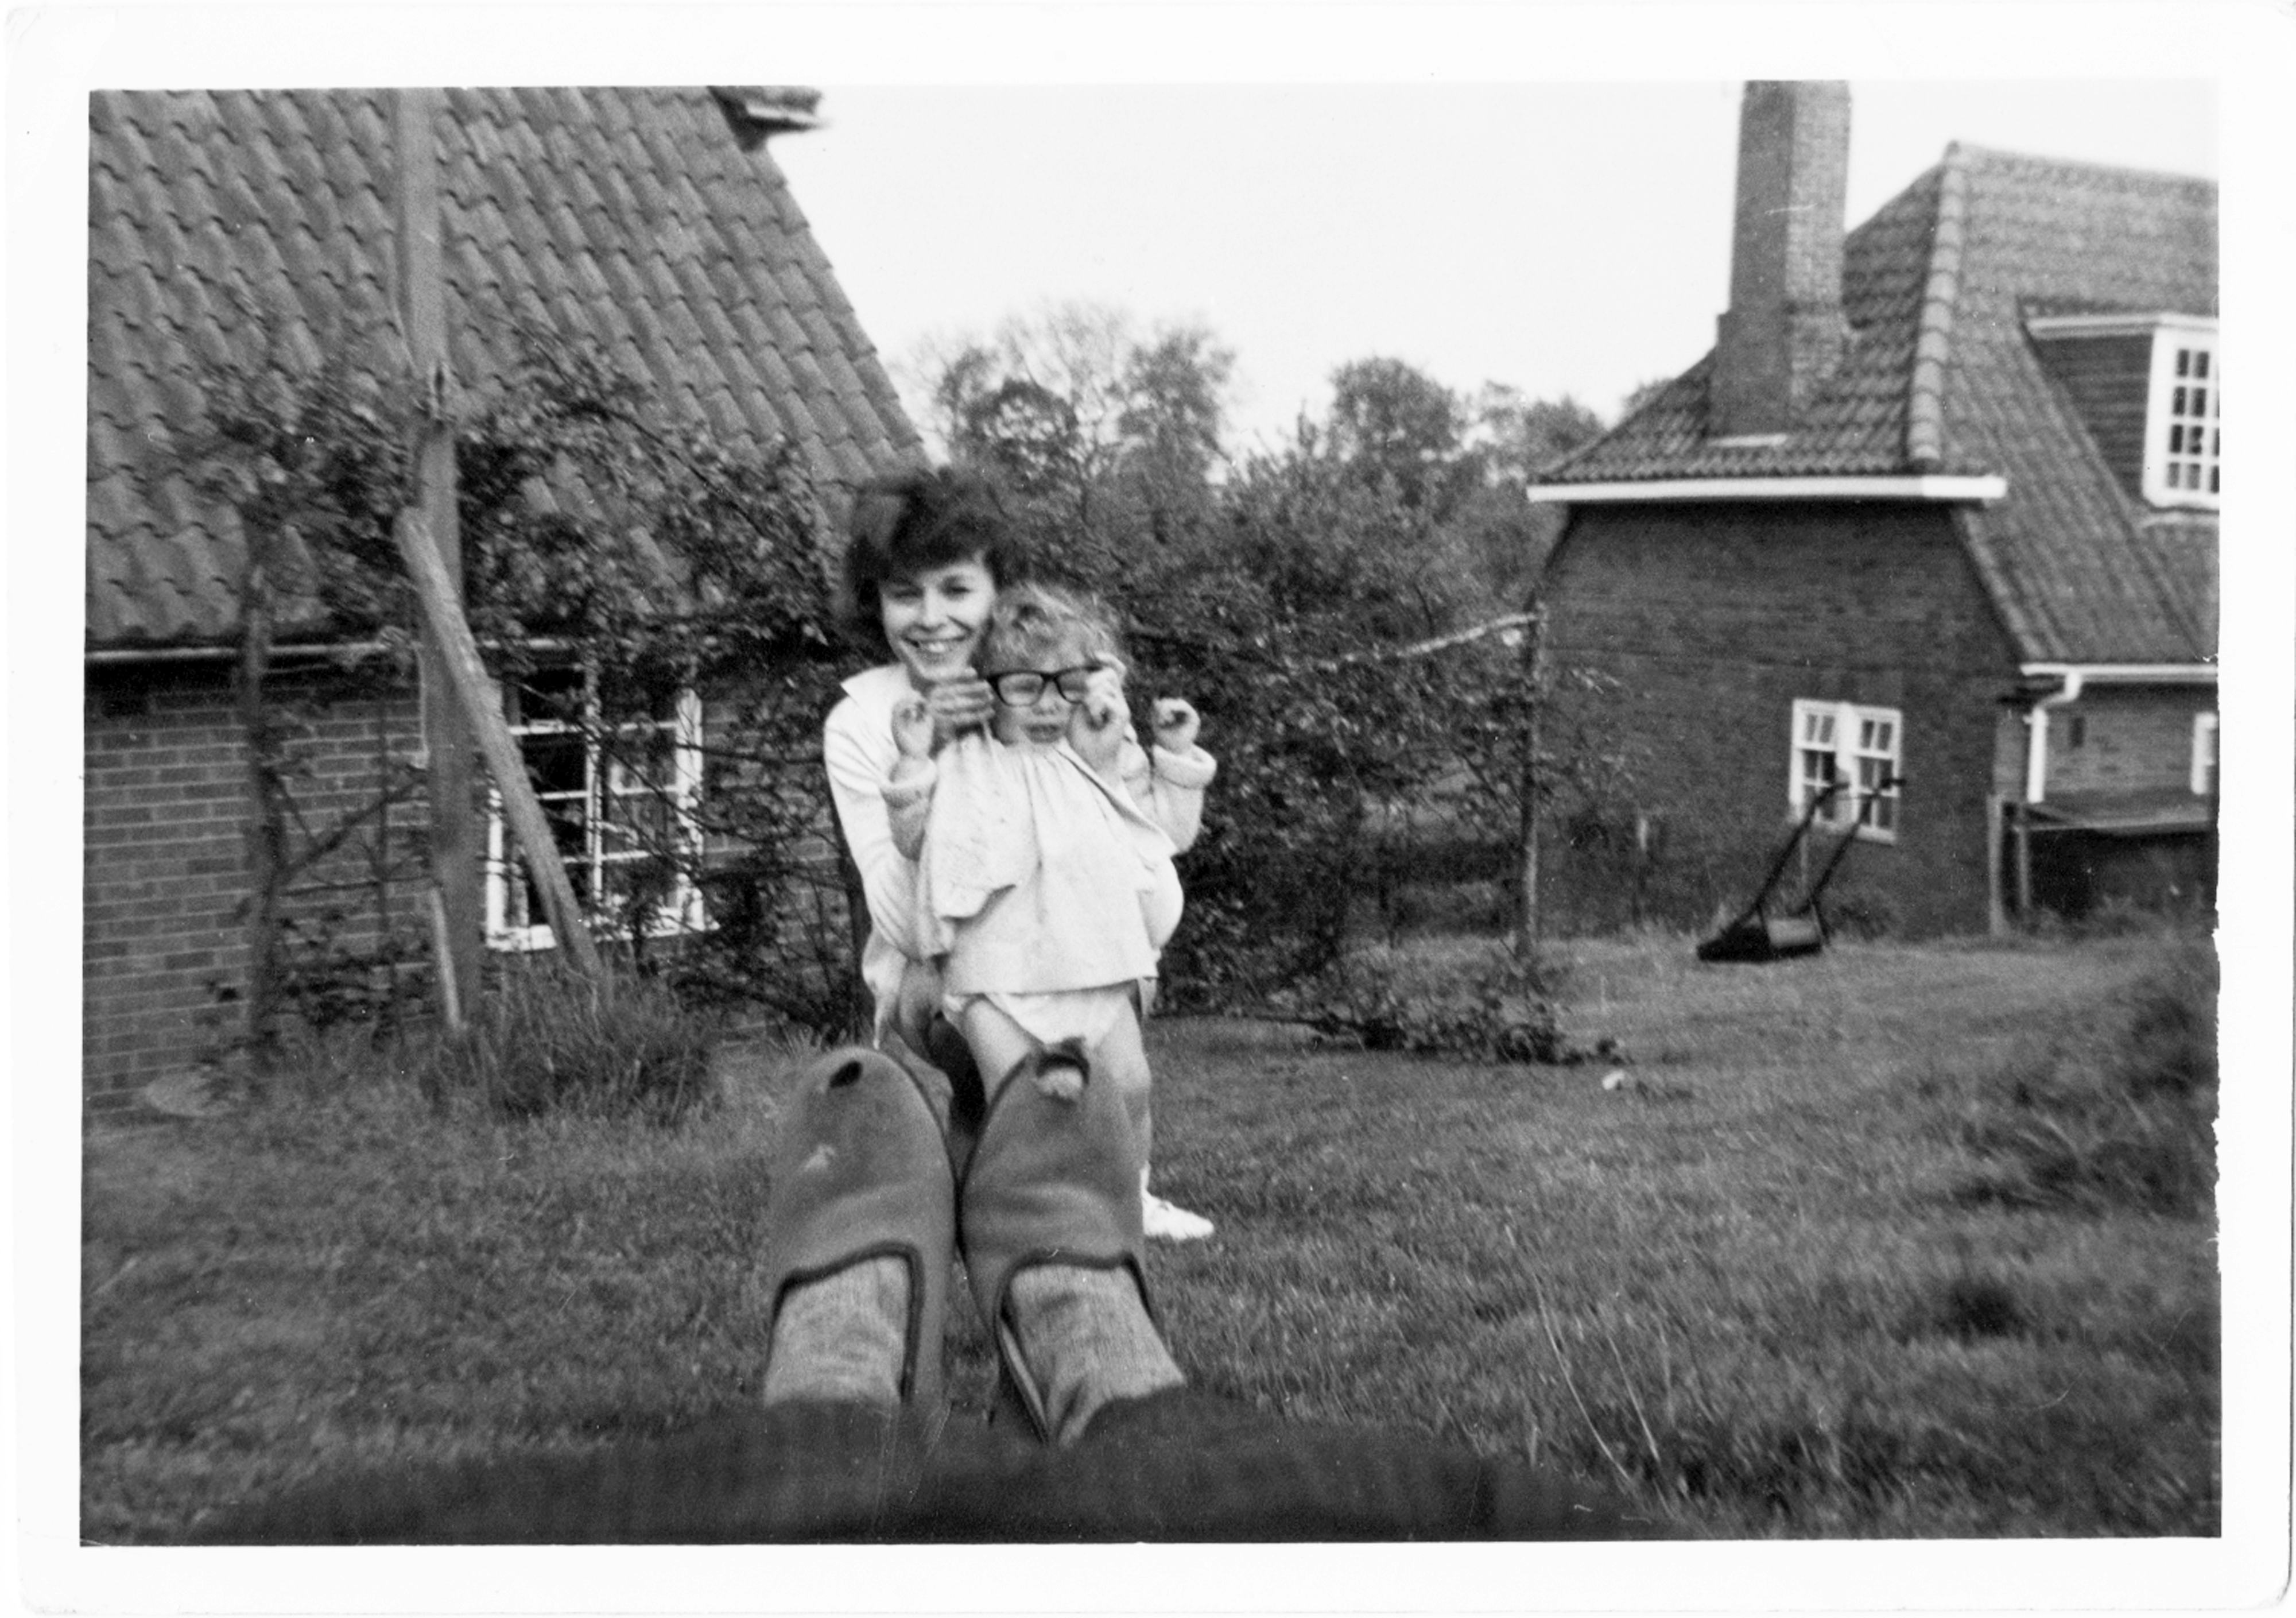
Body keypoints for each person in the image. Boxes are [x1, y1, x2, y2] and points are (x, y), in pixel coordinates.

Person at [821, 478, 1213, 1240]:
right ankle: (1028, 1203)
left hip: (1087, 946)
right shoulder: (867, 720)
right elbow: (901, 916)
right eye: (906, 595)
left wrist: (1114, 748)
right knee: (1009, 1072)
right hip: (945, 964)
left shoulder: (1063, 688)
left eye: (958, 588)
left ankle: (1100, 1191)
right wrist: (927, 754)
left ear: (999, 589)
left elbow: (1148, 850)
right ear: (878, 604)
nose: (932, 619)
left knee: (1111, 1061)